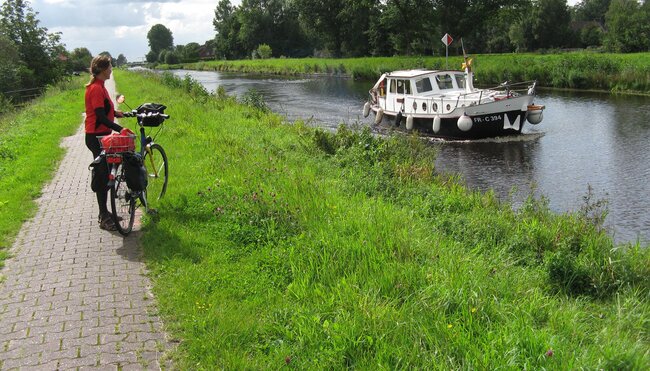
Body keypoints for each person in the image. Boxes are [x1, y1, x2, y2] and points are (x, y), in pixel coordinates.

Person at [84, 55, 128, 231]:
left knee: (106, 173)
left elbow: (104, 111)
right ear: (103, 70)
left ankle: (106, 213)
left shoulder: (101, 86)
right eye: (110, 67)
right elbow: (100, 116)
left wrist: (115, 113)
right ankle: (103, 216)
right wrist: (120, 129)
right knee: (102, 176)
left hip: (102, 136)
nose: (111, 70)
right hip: (96, 138)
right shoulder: (95, 88)